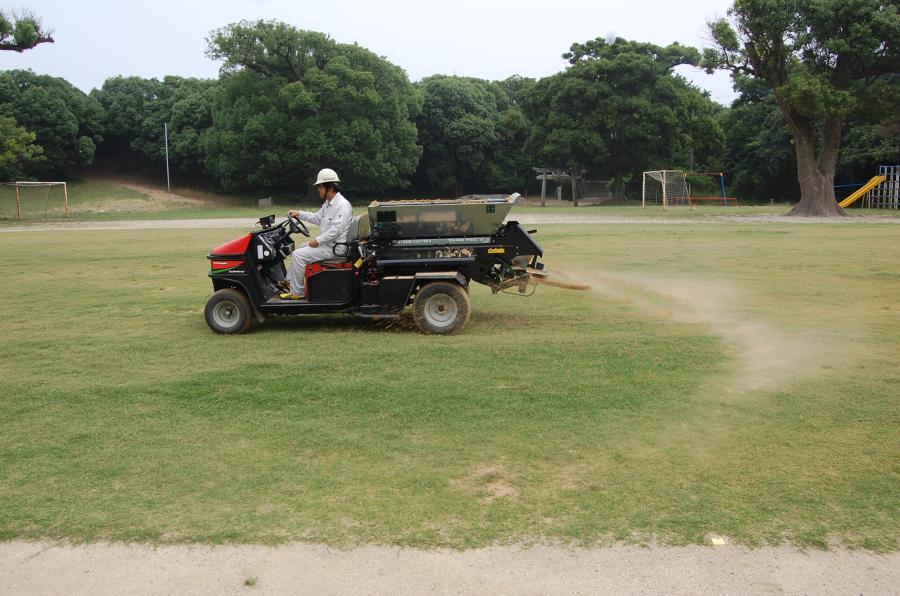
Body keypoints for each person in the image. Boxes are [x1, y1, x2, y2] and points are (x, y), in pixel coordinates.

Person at [280, 168, 353, 300]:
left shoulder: (342, 205)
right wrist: (299, 214)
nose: (318, 189)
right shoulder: (328, 204)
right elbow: (317, 218)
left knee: (298, 255)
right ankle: (289, 282)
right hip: (329, 245)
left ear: (329, 187)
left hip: (336, 249)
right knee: (302, 247)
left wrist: (317, 241)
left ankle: (297, 292)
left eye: (319, 186)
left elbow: (335, 231)